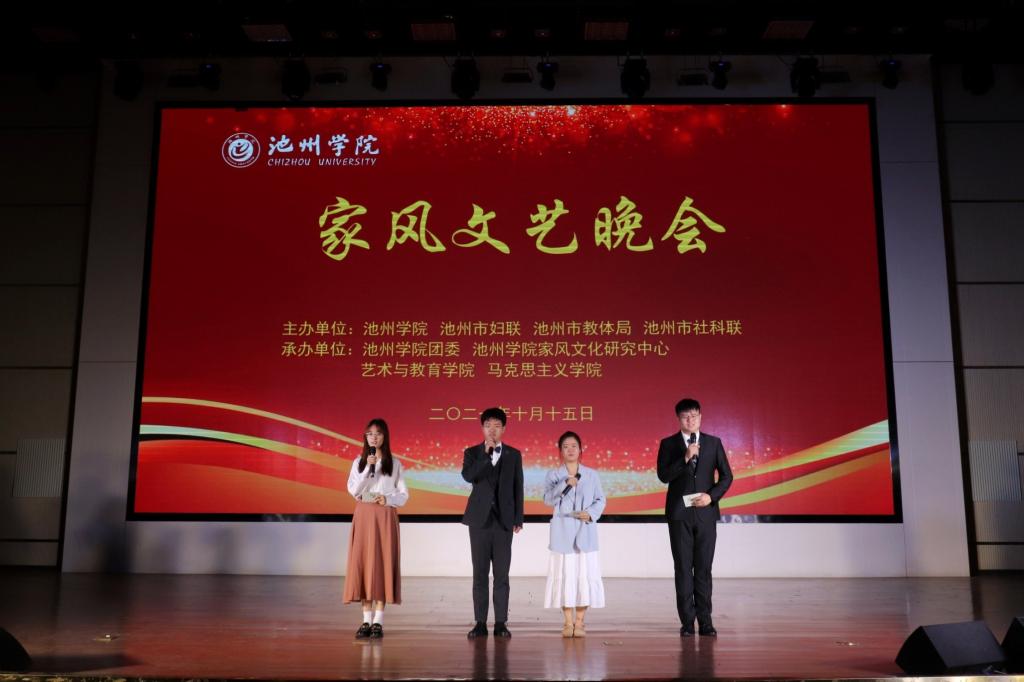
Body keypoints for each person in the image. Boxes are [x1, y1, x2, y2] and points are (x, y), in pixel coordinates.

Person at [656, 398, 733, 637]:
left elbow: (727, 477)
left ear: (701, 417)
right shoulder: (668, 444)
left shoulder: (713, 443)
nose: (690, 420)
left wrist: (711, 497)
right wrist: (685, 458)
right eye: (686, 416)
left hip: (705, 514)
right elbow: (663, 476)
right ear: (678, 419)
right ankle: (687, 623)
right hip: (679, 515)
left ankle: (706, 622)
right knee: (682, 568)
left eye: (694, 415)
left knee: (703, 569)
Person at [462, 407, 524, 639]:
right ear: (482, 428)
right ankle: (480, 623)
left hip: (504, 522)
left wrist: (518, 517)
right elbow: (469, 476)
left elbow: (518, 487)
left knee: (501, 575)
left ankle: (500, 623)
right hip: (479, 522)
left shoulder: (513, 454)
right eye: (488, 425)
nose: (492, 430)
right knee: (479, 574)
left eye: (497, 426)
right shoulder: (472, 453)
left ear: (504, 429)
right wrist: (485, 455)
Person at [344, 418, 409, 640]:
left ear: (384, 437)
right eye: (370, 433)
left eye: (378, 433)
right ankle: (365, 620)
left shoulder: (395, 464)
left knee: (382, 564)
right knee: (363, 563)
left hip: (384, 515)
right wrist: (366, 469)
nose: (374, 437)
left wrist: (388, 498)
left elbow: (404, 495)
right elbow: (354, 490)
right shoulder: (358, 462)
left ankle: (378, 621)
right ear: (365, 437)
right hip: (364, 514)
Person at [542, 431, 606, 638]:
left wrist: (591, 513)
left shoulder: (592, 475)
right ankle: (567, 622)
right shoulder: (554, 475)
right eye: (566, 446)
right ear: (560, 451)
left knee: (583, 578)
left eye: (574, 446)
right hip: (562, 531)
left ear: (580, 449)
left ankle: (580, 622)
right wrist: (564, 484)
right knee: (565, 577)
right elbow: (547, 500)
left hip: (585, 530)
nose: (570, 450)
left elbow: (600, 500)